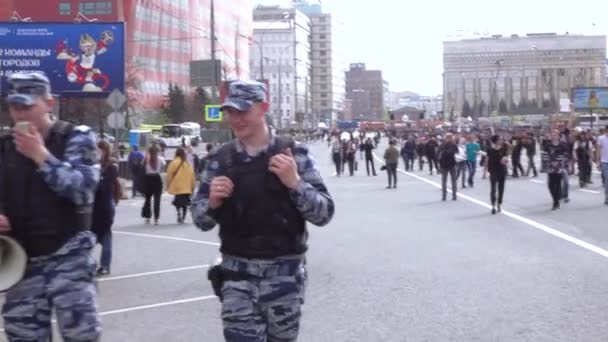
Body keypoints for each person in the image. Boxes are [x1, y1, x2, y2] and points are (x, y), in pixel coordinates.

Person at [191, 80, 335, 342]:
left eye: (243, 111)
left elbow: (324, 213)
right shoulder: (219, 161)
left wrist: (295, 183)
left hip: (284, 282)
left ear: (263, 108)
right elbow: (200, 220)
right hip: (237, 281)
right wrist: (211, 203)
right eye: (230, 112)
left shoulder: (295, 154)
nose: (235, 119)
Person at [0, 71, 101, 340]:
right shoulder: (5, 147)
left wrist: (40, 155)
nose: (20, 115)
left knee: (82, 336)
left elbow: (81, 189)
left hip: (68, 258)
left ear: (49, 103)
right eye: (14, 107)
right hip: (22, 263)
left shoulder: (75, 138)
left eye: (28, 107)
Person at [92, 140, 119, 276]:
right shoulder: (94, 165)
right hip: (94, 205)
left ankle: (105, 265)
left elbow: (106, 187)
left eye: (98, 150)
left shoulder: (111, 166)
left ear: (104, 151)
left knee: (105, 234)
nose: (95, 152)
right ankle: (92, 264)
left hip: (105, 204)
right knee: (92, 235)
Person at [166, 147, 196, 224]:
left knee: (177, 201)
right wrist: (193, 186)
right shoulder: (187, 163)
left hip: (177, 186)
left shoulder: (174, 162)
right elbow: (192, 175)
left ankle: (178, 212)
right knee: (185, 204)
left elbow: (169, 174)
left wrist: (168, 185)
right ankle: (183, 217)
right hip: (186, 187)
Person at [544, 129, 570, 210]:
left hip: (559, 168)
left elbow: (566, 156)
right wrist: (546, 165)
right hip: (550, 168)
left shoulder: (563, 145)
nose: (554, 136)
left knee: (557, 184)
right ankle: (555, 200)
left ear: (559, 136)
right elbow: (544, 156)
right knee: (550, 185)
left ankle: (556, 202)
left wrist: (558, 162)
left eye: (556, 134)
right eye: (552, 134)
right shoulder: (547, 145)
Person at [485, 135, 509, 214]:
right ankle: (493, 205)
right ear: (495, 141)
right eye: (499, 139)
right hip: (493, 170)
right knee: (493, 189)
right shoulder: (489, 149)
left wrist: (505, 160)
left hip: (502, 170)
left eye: (501, 139)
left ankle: (499, 204)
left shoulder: (503, 148)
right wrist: (485, 171)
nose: (501, 141)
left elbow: (507, 158)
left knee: (501, 189)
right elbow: (487, 160)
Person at [142, 145, 165, 225]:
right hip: (157, 178)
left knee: (147, 199)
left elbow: (142, 167)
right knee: (157, 200)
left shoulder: (146, 159)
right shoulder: (160, 159)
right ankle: (156, 219)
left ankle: (148, 217)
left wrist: (146, 153)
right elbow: (162, 168)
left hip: (148, 179)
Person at [438, 133, 458, 201]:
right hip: (452, 164)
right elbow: (457, 153)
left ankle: (444, 196)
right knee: (453, 181)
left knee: (444, 181)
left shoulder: (441, 145)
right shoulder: (453, 145)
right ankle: (454, 196)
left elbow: (438, 155)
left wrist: (439, 165)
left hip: (444, 165)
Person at [597, 125, 608, 205]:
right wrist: (598, 161)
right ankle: (607, 197)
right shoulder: (601, 138)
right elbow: (598, 150)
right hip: (604, 162)